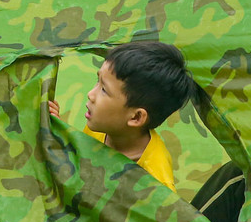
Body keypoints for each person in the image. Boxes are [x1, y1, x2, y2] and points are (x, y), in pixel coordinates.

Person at [48, 40, 199, 191]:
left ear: (136, 117)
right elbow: (83, 159)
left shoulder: (154, 181)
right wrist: (60, 133)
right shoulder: (102, 127)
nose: (91, 94)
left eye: (104, 90)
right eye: (97, 81)